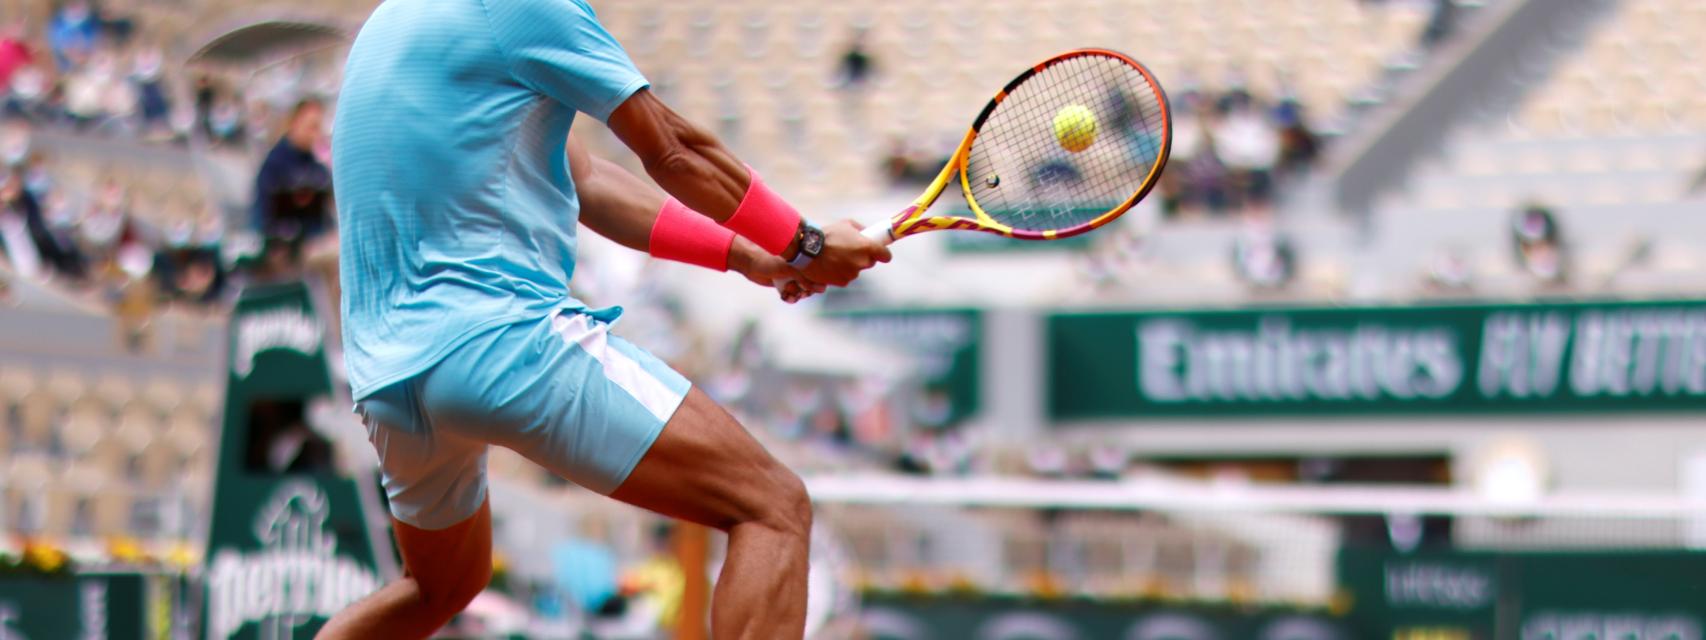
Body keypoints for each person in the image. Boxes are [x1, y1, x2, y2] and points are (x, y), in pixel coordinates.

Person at [316, 0, 890, 638]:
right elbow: (672, 148)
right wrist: (803, 242)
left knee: (436, 588)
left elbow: (582, 178)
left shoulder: (398, 22)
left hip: (389, 377)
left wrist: (747, 254)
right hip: (502, 343)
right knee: (772, 506)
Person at [252, 98, 331, 276]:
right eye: (312, 127)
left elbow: (324, 217)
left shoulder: (316, 167)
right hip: (282, 249)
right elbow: (262, 216)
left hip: (310, 244)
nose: (316, 134)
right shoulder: (276, 164)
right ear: (294, 123)